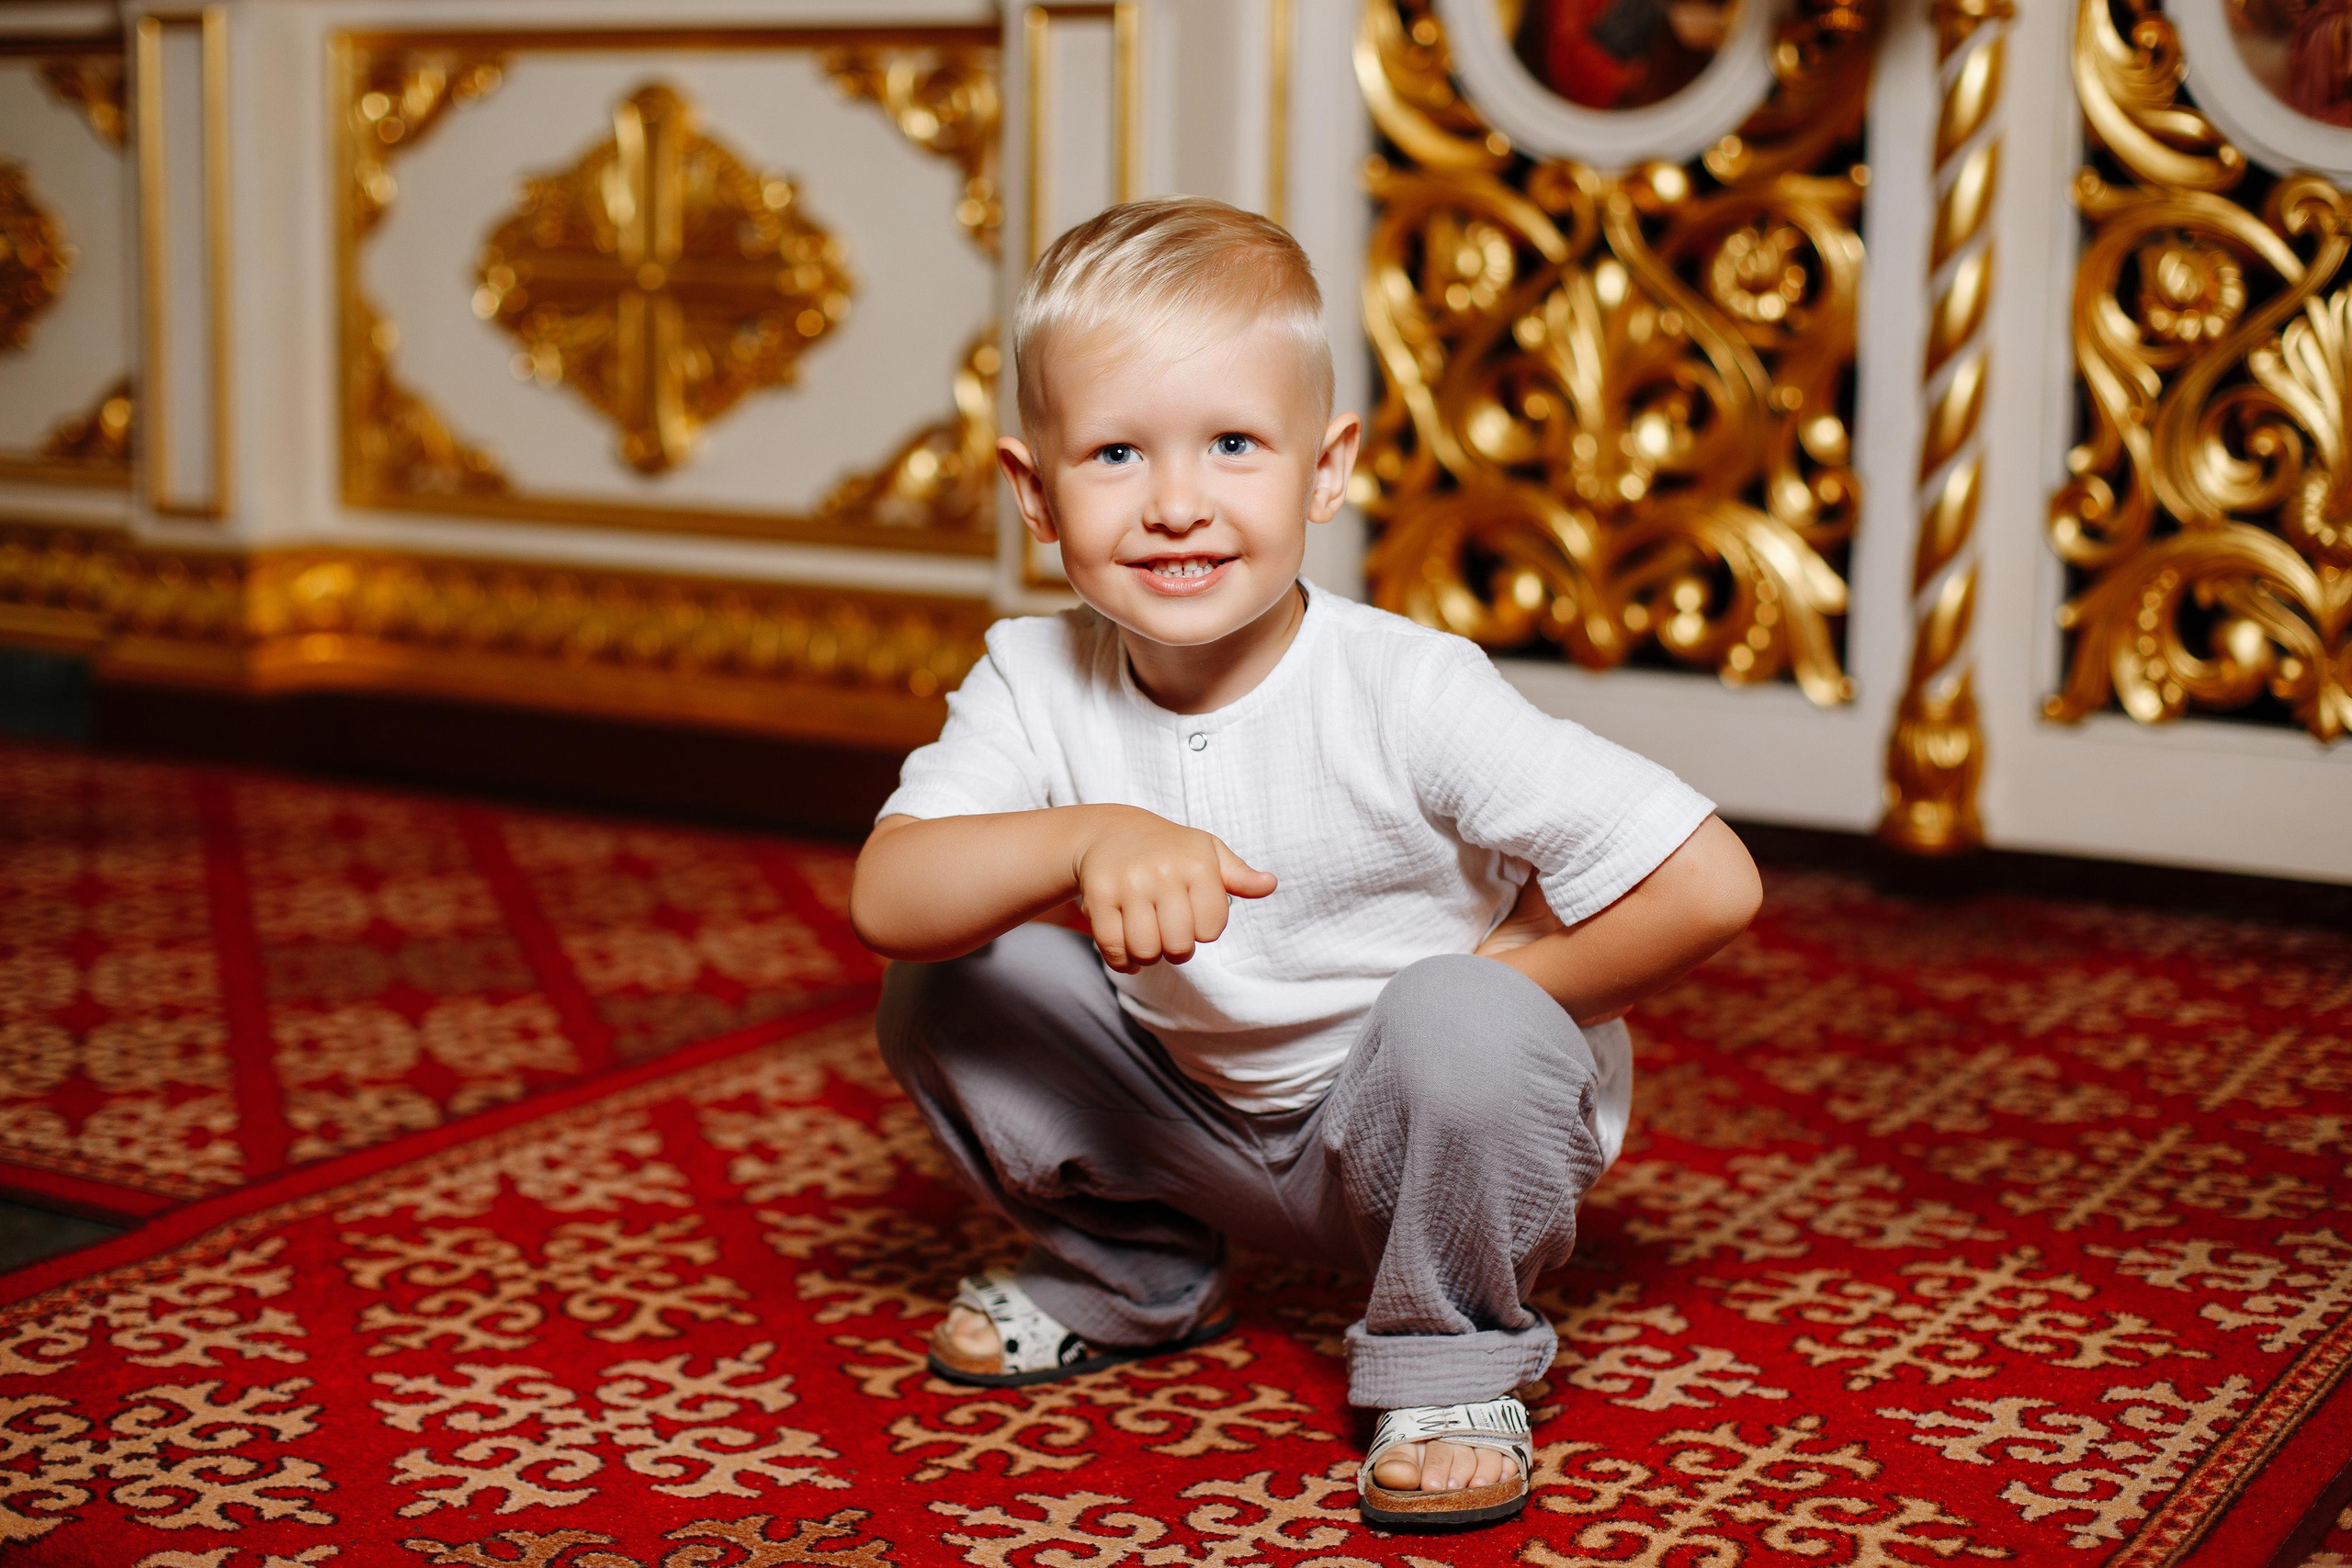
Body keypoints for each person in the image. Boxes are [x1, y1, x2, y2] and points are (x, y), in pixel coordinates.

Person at [851, 197, 1760, 1529]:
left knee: (1459, 1016)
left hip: (1419, 1138)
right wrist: (1083, 834)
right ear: (1035, 493)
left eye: (1232, 444)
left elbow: (1712, 882)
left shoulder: (1407, 687)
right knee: (954, 978)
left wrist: (1510, 981)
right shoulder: (1033, 671)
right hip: (1194, 1107)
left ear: (1324, 469)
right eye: (1114, 454)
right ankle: (1140, 1272)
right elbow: (890, 896)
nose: (1175, 505)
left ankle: (1451, 1361)